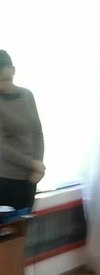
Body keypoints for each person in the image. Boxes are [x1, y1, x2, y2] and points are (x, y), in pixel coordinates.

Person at [0, 50, 45, 211]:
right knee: (8, 226)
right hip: (5, 180)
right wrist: (33, 164)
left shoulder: (27, 95)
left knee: (25, 224)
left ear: (13, 71)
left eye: (6, 79)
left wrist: (38, 163)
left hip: (30, 178)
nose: (3, 85)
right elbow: (2, 147)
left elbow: (37, 133)